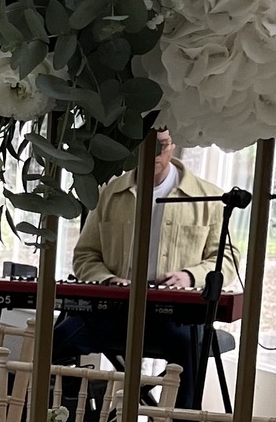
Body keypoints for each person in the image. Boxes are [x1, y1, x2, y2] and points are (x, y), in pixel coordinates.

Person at [51, 129, 224, 396]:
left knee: (189, 349)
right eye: (144, 146)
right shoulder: (108, 193)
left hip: (177, 318)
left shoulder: (210, 198)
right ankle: (62, 413)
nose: (153, 153)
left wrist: (189, 277)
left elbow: (225, 260)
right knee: (56, 342)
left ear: (174, 145)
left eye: (161, 145)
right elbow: (85, 256)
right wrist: (109, 280)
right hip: (113, 312)